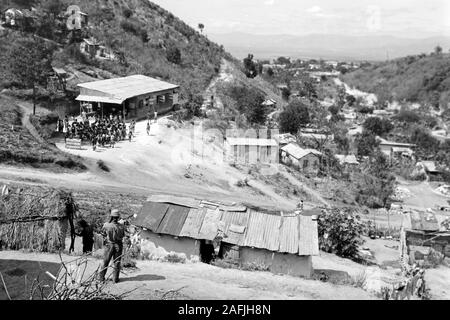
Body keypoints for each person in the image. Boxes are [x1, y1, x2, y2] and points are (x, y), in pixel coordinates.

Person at [99, 209, 126, 283]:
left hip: (109, 244)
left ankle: (101, 278)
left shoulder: (106, 225)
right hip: (118, 245)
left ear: (111, 216)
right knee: (117, 262)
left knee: (105, 261)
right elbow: (123, 235)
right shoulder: (121, 226)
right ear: (118, 217)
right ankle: (115, 279)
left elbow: (103, 233)